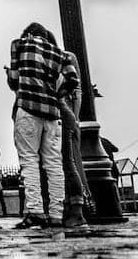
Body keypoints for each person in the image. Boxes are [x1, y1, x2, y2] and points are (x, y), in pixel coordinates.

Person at [7, 22, 69, 230]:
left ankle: (35, 211)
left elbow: (14, 79)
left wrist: (12, 76)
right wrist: (54, 93)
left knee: (30, 161)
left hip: (29, 109)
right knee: (54, 164)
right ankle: (56, 214)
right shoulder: (60, 54)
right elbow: (72, 81)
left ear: (29, 34)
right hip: (52, 114)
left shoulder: (19, 44)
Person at [58, 52, 92, 231]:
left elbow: (76, 91)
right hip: (68, 115)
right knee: (72, 162)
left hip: (65, 115)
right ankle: (83, 204)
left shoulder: (65, 58)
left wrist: (75, 117)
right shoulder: (67, 58)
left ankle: (80, 206)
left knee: (70, 162)